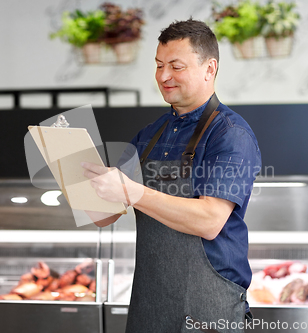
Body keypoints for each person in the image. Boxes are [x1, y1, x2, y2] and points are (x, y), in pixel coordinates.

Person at [81, 19, 261, 333]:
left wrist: (131, 191)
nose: (164, 76)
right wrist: (75, 174)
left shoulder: (230, 134)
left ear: (209, 68)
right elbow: (102, 216)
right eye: (159, 65)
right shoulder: (149, 135)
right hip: (150, 303)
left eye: (176, 66)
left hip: (209, 307)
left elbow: (209, 221)